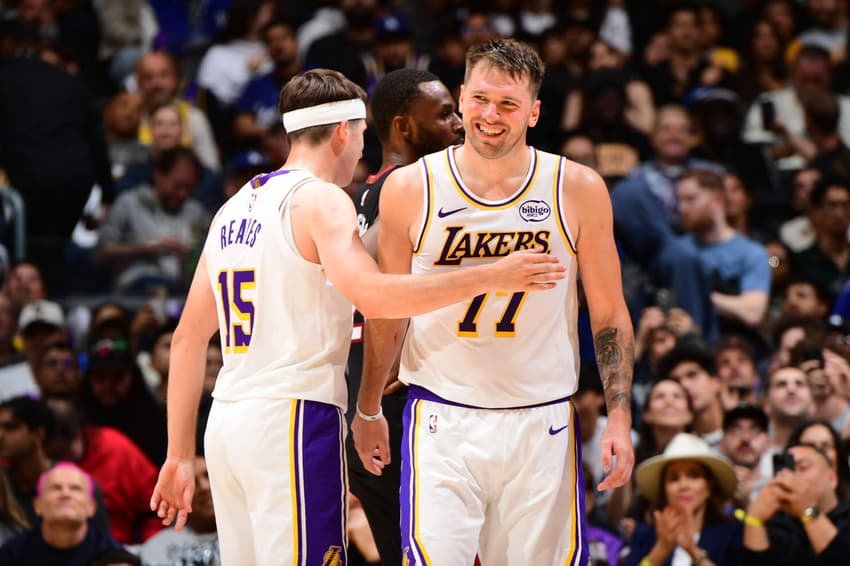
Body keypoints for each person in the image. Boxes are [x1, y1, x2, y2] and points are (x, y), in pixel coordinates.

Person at [149, 67, 565, 566]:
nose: (362, 151)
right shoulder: (323, 200)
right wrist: (492, 275)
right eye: (363, 134)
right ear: (344, 131)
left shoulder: (234, 208)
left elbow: (188, 340)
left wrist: (177, 454)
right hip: (293, 419)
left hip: (227, 427)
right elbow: (376, 298)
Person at [352, 39, 634, 563]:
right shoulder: (412, 188)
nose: (490, 115)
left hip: (542, 418)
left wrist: (619, 416)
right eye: (480, 99)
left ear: (534, 111)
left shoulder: (577, 187)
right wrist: (368, 406)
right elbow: (387, 307)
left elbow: (611, 314)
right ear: (461, 97)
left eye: (508, 104)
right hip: (442, 415)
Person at [346, 67, 463, 565]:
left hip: (360, 398)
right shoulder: (423, 190)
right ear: (404, 128)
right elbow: (392, 295)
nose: (460, 123)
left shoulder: (358, 200)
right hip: (401, 400)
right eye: (445, 114)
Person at [627, 432, 741, 566]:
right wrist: (662, 548)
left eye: (693, 476)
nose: (683, 485)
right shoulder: (645, 534)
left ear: (710, 485)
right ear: (664, 489)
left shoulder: (731, 533)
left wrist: (692, 550)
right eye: (674, 478)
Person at [741, 442, 850, 565]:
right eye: (785, 469)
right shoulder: (777, 525)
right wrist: (755, 519)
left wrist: (808, 510)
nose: (791, 476)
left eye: (803, 467)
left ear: (832, 478)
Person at [0, 462, 122, 564]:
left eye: (75, 489)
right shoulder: (12, 555)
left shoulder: (113, 557)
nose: (65, 494)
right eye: (55, 488)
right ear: (37, 505)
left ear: (92, 507)